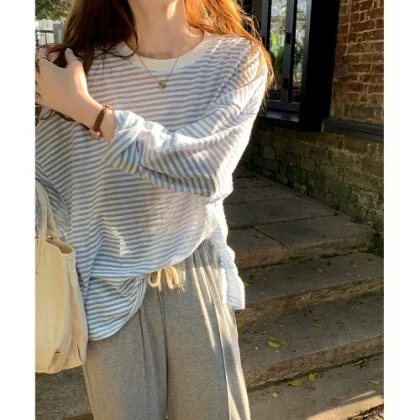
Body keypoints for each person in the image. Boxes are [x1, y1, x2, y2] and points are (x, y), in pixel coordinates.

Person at [35, 0, 273, 419]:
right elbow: (43, 185)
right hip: (103, 282)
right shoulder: (72, 67)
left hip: (193, 269)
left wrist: (91, 113)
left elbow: (207, 170)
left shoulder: (237, 58)